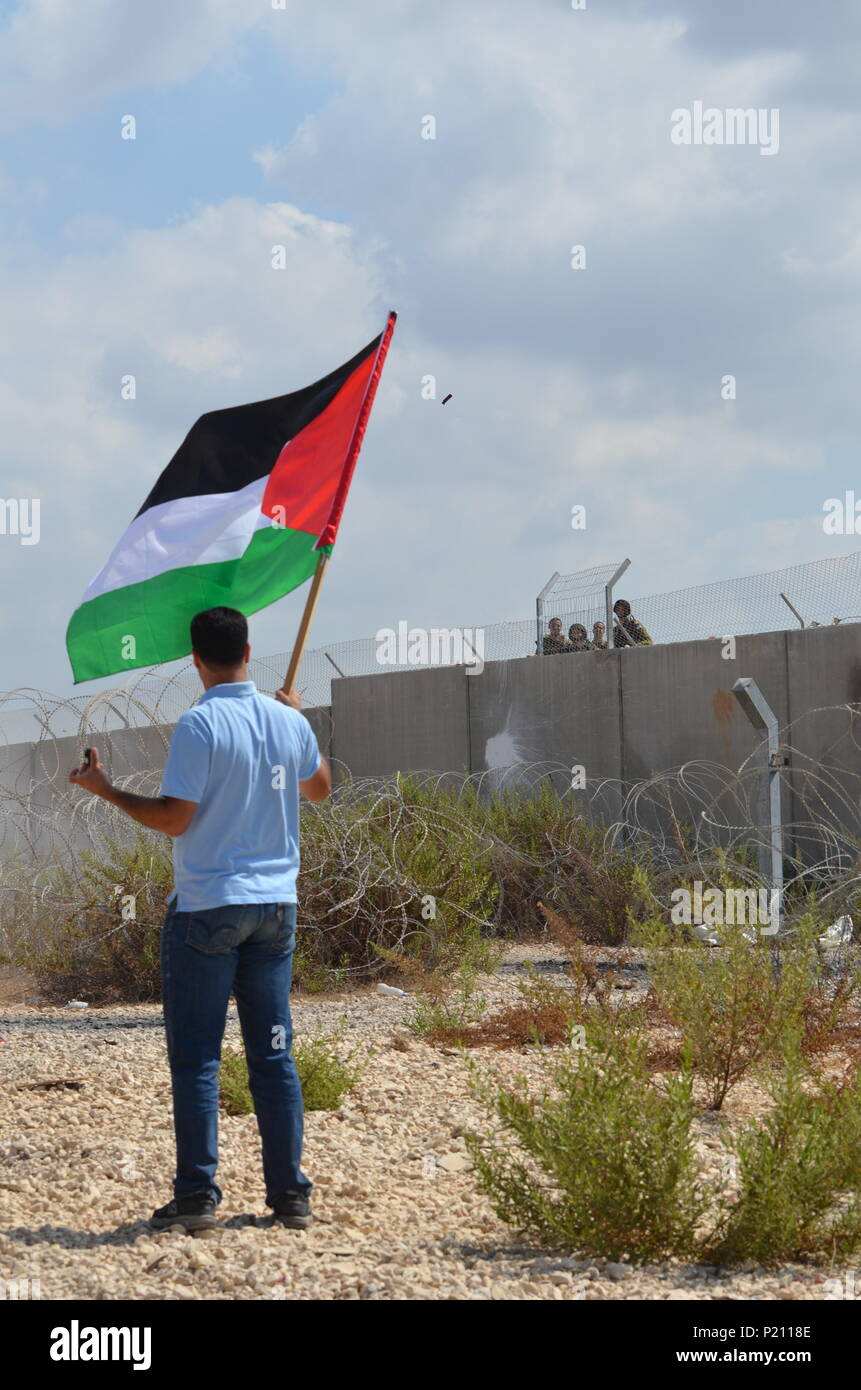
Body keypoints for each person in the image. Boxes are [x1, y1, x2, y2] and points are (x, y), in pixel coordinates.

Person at [68, 606, 332, 1234]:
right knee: (274, 1055)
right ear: (249, 650)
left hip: (210, 909)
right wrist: (296, 717)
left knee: (198, 1061)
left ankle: (197, 1198)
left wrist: (106, 790)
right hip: (275, 910)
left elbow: (175, 818)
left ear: (195, 659)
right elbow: (319, 789)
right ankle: (290, 1196)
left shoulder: (200, 725)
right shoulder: (285, 720)